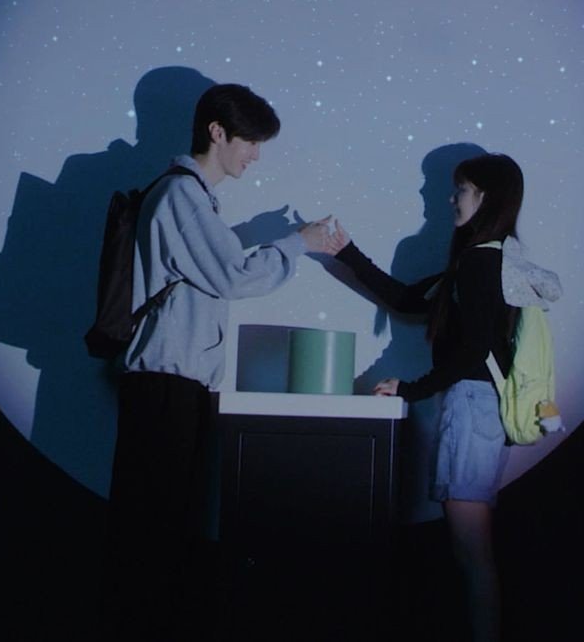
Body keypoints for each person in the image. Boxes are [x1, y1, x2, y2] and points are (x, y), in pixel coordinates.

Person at [104, 83, 331, 641]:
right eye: (250, 141)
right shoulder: (181, 195)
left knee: (159, 533)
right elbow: (233, 276)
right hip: (165, 387)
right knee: (155, 536)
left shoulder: (189, 198)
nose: (255, 155)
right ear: (217, 132)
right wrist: (298, 242)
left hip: (171, 385)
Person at [327, 153, 561, 642]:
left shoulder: (479, 263)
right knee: (472, 553)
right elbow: (409, 300)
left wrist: (411, 388)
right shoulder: (494, 260)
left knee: (472, 552)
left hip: (472, 407)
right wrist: (346, 251)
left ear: (487, 197)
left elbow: (473, 348)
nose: (451, 198)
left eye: (462, 189)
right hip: (482, 410)